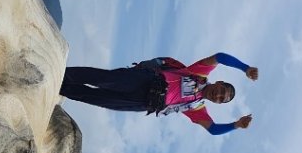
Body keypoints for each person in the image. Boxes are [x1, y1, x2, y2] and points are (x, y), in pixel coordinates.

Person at [59, 52, 258, 135]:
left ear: (218, 103)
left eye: (221, 99)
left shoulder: (197, 109)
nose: (218, 95)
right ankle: (61, 73)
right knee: (103, 79)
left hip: (144, 103)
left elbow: (213, 130)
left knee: (98, 98)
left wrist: (236, 125)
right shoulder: (200, 72)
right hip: (147, 80)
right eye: (222, 90)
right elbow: (221, 57)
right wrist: (245, 68)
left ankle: (62, 88)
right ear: (220, 82)